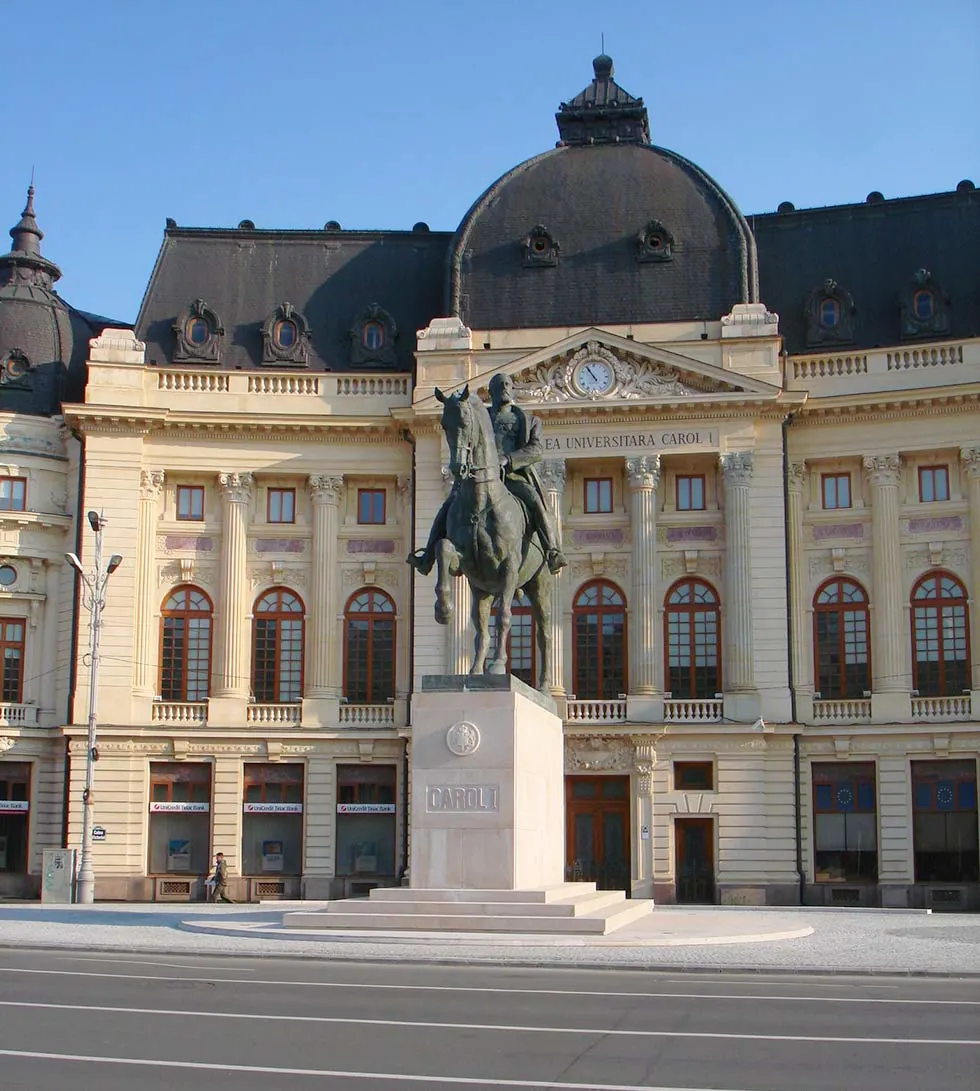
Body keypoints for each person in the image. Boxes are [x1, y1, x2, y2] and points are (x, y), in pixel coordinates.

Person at [408, 372, 567, 576]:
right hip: (479, 477)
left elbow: (535, 450)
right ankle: (427, 556)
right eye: (500, 386)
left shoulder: (527, 419)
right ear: (489, 392)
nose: (505, 389)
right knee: (449, 505)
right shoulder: (480, 418)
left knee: (536, 501)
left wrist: (508, 461)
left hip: (512, 477)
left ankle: (552, 551)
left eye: (508, 385)